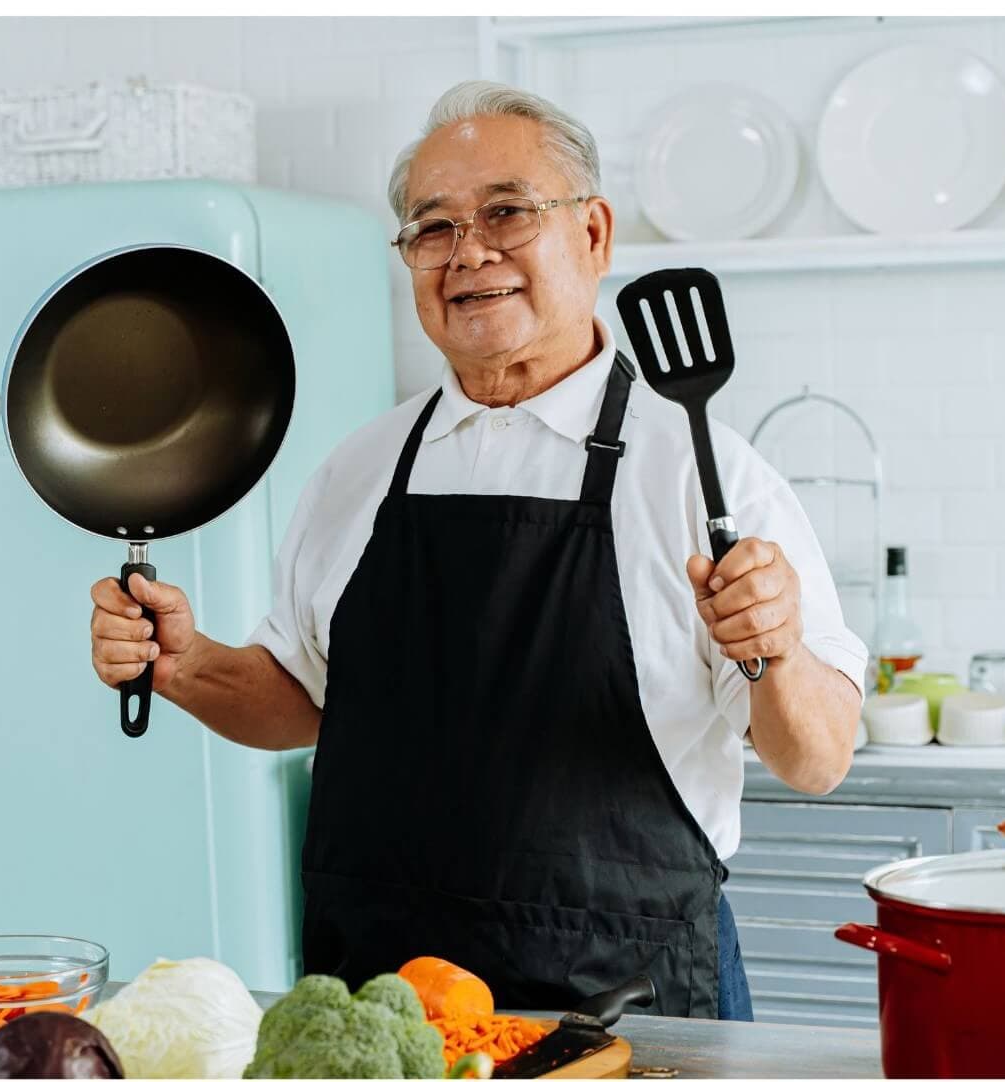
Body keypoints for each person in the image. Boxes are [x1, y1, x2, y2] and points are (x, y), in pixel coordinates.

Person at [89, 80, 865, 1020]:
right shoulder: (359, 470)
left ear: (593, 235)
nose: (469, 253)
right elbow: (304, 701)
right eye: (433, 229)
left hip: (631, 1014)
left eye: (507, 212)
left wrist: (775, 649)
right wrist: (186, 665)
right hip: (382, 1013)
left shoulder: (705, 476)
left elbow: (818, 758)